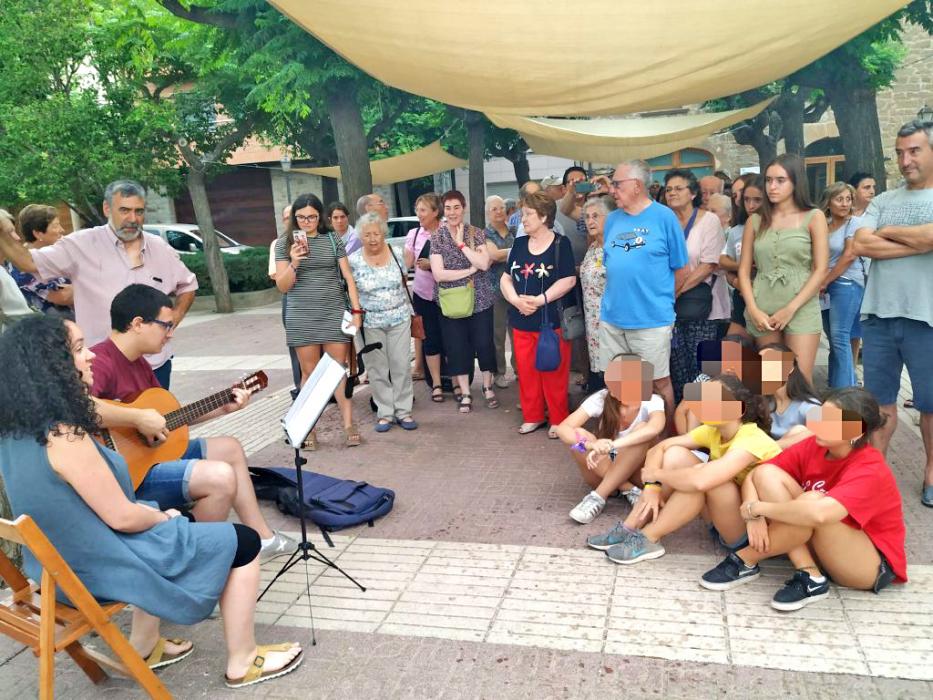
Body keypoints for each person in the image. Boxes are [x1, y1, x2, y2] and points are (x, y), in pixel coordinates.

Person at [0, 316, 303, 689]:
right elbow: (123, 517)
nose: (91, 355)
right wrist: (163, 517)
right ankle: (242, 659)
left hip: (57, 571)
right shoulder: (64, 436)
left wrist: (157, 516)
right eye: (78, 350)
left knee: (174, 520)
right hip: (98, 568)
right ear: (50, 367)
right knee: (243, 542)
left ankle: (143, 645)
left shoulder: (15, 432)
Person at [89, 283, 296, 562]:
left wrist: (222, 407)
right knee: (219, 478)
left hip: (148, 459)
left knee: (230, 448)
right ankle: (190, 558)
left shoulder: (138, 363)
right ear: (138, 324)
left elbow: (167, 421)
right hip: (121, 477)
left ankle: (263, 538)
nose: (170, 334)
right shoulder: (100, 360)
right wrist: (137, 417)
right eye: (166, 326)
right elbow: (80, 406)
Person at [700, 388, 906, 611]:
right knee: (768, 475)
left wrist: (758, 508)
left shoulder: (871, 467)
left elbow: (820, 514)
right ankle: (810, 574)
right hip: (822, 543)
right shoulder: (816, 445)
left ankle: (745, 558)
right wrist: (753, 517)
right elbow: (757, 473)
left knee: (813, 501)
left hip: (867, 565)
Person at [0, 179, 197, 389]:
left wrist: (172, 320)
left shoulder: (159, 248)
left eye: (139, 211)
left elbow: (188, 285)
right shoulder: (81, 245)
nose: (132, 219)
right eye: (124, 210)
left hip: (155, 365)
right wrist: (3, 232)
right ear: (107, 208)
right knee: (107, 421)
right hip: (101, 367)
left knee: (161, 418)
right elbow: (28, 262)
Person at [588, 374, 781, 564]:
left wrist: (657, 475)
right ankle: (630, 527)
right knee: (675, 453)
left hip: (756, 535)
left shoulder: (751, 438)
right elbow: (659, 448)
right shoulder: (714, 430)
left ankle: (649, 536)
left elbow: (701, 481)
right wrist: (652, 487)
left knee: (706, 481)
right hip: (726, 517)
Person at [853, 119, 933, 507]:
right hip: (879, 315)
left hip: (926, 316)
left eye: (914, 150)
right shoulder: (883, 200)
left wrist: (886, 234)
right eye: (900, 152)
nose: (905, 160)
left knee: (931, 404)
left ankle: (932, 472)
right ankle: (876, 475)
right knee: (879, 402)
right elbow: (861, 243)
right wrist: (920, 242)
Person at [600, 159, 689, 420]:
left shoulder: (664, 217)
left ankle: (664, 439)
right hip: (612, 319)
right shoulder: (613, 220)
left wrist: (662, 302)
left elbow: (682, 269)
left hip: (651, 320)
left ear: (637, 186)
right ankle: (624, 433)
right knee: (617, 384)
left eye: (617, 184)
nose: (612, 189)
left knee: (659, 383)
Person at [275, 193, 363, 449]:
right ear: (294, 218)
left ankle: (348, 424)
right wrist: (294, 262)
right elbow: (282, 286)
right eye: (301, 217)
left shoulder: (332, 237)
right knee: (309, 374)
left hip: (333, 311)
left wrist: (356, 312)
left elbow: (348, 276)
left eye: (312, 216)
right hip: (302, 314)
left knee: (338, 370)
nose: (307, 222)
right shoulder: (284, 243)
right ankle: (308, 427)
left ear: (320, 216)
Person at [738, 154, 829, 381]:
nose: (772, 186)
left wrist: (790, 309)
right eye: (768, 180)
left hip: (801, 305)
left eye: (780, 180)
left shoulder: (813, 216)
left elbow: (821, 269)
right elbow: (743, 270)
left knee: (801, 381)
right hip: (763, 307)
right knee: (772, 382)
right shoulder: (756, 221)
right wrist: (753, 309)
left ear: (796, 182)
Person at [555, 355, 666, 524]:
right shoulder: (602, 397)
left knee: (642, 428)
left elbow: (654, 429)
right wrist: (592, 444)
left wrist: (612, 445)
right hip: (602, 470)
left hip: (637, 471)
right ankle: (628, 490)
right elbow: (563, 428)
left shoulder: (652, 400)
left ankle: (598, 497)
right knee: (579, 437)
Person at [501, 191, 576, 434]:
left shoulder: (560, 244)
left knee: (554, 372)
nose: (522, 219)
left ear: (544, 216)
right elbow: (505, 278)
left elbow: (568, 280)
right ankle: (533, 416)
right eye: (523, 214)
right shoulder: (519, 244)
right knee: (526, 371)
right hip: (521, 321)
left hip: (550, 322)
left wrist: (540, 299)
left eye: (528, 214)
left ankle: (558, 420)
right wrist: (516, 300)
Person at [349, 213, 417, 432]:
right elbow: (352, 292)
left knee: (401, 364)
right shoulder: (354, 260)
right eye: (367, 234)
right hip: (371, 322)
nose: (372, 238)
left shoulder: (397, 253)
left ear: (383, 233)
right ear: (360, 236)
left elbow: (403, 281)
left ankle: (404, 411)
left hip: (399, 318)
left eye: (376, 233)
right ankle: (385, 413)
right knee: (377, 368)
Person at [430, 190, 496, 413]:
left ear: (464, 208)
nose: (452, 212)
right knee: (456, 347)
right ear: (443, 210)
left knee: (484, 343)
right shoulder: (437, 237)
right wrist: (469, 270)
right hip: (450, 302)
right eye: (448, 208)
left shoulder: (476, 233)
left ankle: (487, 386)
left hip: (480, 300)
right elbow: (439, 274)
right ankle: (465, 392)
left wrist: (461, 245)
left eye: (456, 207)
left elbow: (484, 264)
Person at [663, 169, 726, 404]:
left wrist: (677, 291)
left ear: (692, 193)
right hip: (670, 307)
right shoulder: (664, 221)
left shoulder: (708, 221)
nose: (672, 193)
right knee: (677, 364)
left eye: (678, 188)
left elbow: (709, 265)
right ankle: (682, 417)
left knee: (703, 365)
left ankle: (706, 417)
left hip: (702, 305)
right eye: (668, 189)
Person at [819, 182, 865, 388]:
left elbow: (849, 255)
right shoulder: (824, 224)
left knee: (840, 337)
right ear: (828, 202)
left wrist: (825, 281)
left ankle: (847, 391)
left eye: (848, 199)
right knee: (834, 340)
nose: (845, 203)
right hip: (825, 287)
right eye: (839, 199)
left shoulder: (853, 223)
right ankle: (835, 385)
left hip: (846, 283)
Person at [404, 193, 445, 399]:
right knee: (429, 338)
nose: (419, 214)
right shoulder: (414, 233)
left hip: (447, 294)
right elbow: (408, 264)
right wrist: (409, 248)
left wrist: (433, 265)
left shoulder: (447, 231)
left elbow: (457, 261)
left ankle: (454, 381)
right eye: (417, 210)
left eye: (423, 210)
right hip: (422, 294)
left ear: (435, 212)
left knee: (449, 337)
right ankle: (435, 383)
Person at [5, 204, 73, 316]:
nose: (62, 230)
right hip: (51, 328)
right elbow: (63, 297)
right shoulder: (21, 266)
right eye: (55, 226)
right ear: (37, 233)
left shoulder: (55, 253)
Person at [719, 175, 765, 341]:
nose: (750, 205)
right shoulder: (736, 230)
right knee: (732, 353)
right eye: (745, 199)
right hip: (742, 296)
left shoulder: (777, 228)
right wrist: (738, 274)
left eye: (757, 200)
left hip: (769, 297)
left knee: (770, 357)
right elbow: (723, 261)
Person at [483, 195, 517, 388]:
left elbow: (499, 254)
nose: (499, 211)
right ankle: (499, 372)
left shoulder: (513, 230)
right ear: (488, 212)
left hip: (516, 288)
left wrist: (504, 254)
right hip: (494, 289)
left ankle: (520, 369)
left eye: (502, 207)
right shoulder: (485, 234)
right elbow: (493, 255)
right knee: (498, 334)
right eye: (494, 209)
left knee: (517, 332)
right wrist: (515, 251)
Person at [759, 343, 821, 448]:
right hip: (768, 456)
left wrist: (771, 447)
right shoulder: (760, 401)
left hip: (796, 457)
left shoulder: (808, 405)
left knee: (799, 431)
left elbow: (822, 429)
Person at [579, 196, 612, 392]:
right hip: (592, 321)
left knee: (617, 370)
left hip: (612, 320)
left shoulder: (616, 246)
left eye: (595, 216)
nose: (590, 221)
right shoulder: (592, 247)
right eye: (586, 217)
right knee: (600, 372)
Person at [268, 204, 301, 395]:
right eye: (286, 217)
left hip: (314, 298)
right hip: (291, 297)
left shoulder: (311, 239)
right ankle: (300, 388)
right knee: (297, 346)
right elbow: (275, 275)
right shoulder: (279, 244)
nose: (290, 221)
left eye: (293, 217)